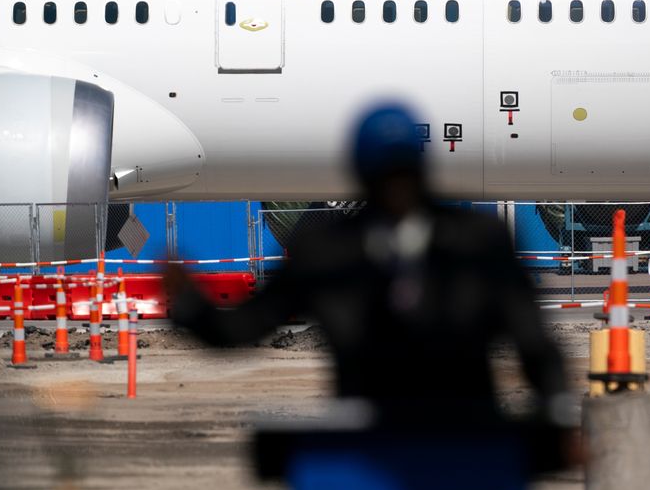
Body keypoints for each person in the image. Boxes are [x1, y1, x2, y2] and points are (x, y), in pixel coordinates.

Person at [166, 104, 576, 470]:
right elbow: (536, 348)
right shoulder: (473, 239)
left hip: (430, 449)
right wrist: (556, 420)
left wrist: (187, 300)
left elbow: (239, 330)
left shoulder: (333, 250)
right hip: (400, 454)